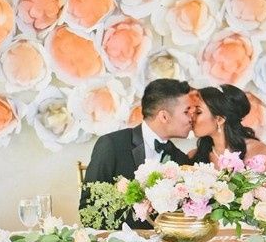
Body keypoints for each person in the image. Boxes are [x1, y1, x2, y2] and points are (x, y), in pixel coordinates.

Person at [79, 78, 195, 226]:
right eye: (186, 112)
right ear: (164, 116)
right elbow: (88, 209)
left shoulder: (180, 159)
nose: (191, 118)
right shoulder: (112, 145)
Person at [189, 84, 266, 200]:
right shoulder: (193, 156)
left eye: (198, 112)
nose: (191, 116)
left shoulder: (258, 153)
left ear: (219, 119)